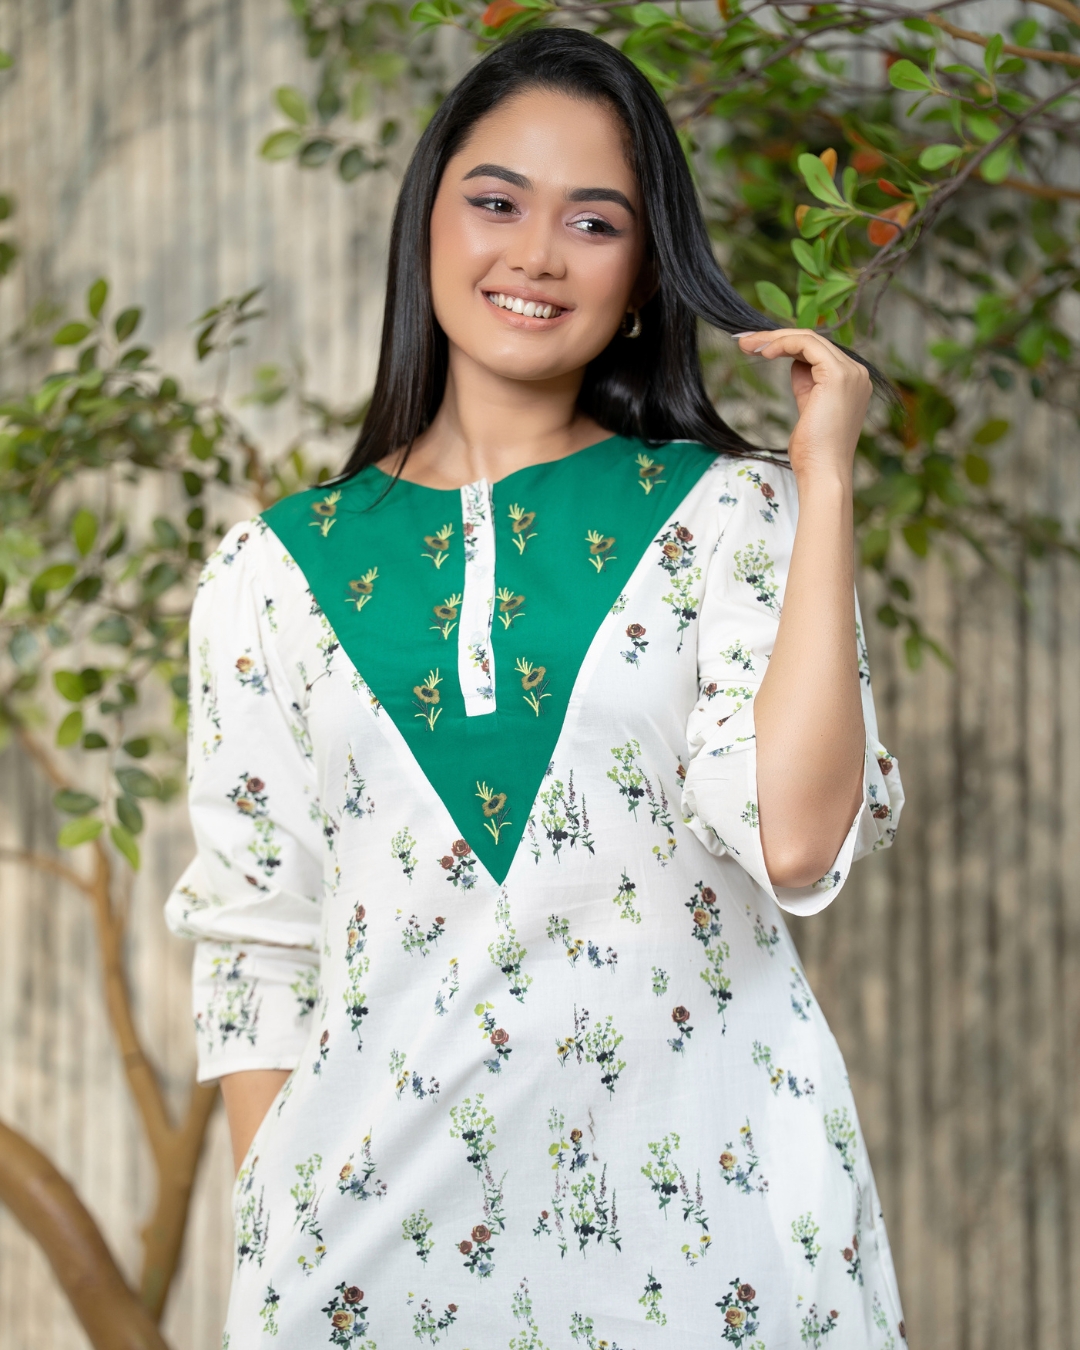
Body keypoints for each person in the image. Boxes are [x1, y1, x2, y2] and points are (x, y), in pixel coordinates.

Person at [166, 27, 905, 1348]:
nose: (538, 255)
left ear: (644, 275)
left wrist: (825, 476)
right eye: (497, 202)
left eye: (595, 222)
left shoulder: (736, 518)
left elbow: (796, 841)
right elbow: (257, 942)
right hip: (373, 1260)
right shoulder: (269, 574)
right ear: (428, 222)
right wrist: (282, 1241)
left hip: (715, 1239)